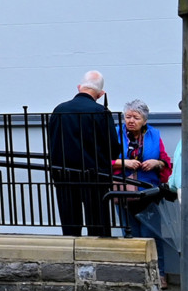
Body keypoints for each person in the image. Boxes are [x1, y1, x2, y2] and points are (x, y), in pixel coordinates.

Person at [49, 71, 116, 237]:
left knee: (70, 227)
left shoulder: (59, 110)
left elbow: (52, 141)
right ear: (101, 94)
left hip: (64, 175)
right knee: (98, 226)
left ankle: (71, 250)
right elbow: (112, 147)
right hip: (95, 176)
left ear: (79, 87)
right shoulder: (100, 112)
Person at [110, 99, 173, 255]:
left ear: (144, 121)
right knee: (130, 235)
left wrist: (156, 163)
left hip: (148, 192)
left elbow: (165, 160)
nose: (131, 121)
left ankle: (158, 268)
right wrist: (123, 163)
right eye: (128, 117)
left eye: (136, 118)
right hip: (123, 192)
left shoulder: (154, 135)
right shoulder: (114, 134)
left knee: (151, 235)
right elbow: (102, 160)